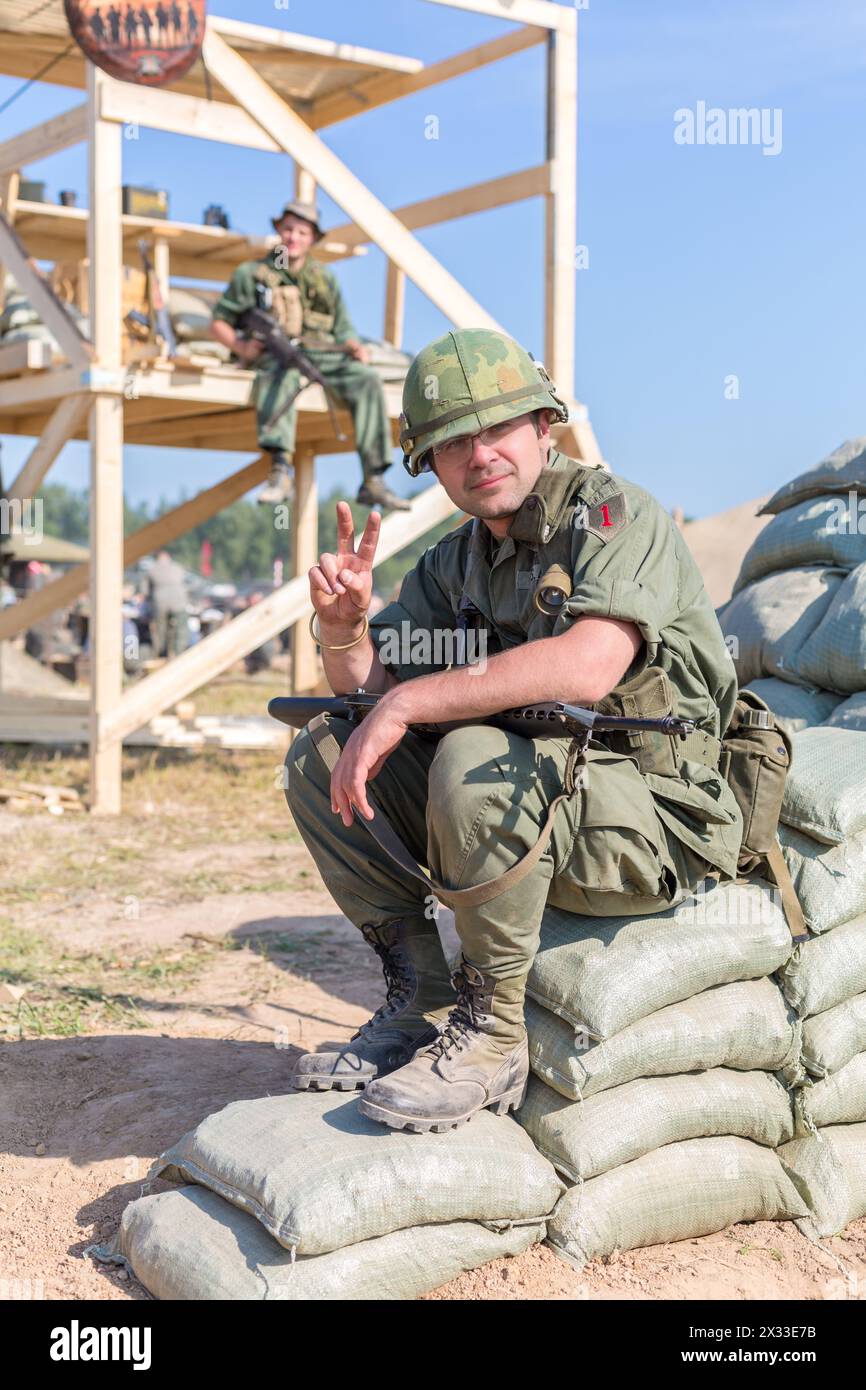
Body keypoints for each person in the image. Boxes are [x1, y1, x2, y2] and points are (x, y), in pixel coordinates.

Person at [283, 327, 744, 1132]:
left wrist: (409, 705)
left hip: (651, 816)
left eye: (497, 428)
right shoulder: (455, 562)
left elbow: (588, 665)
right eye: (454, 442)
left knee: (471, 755)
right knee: (319, 748)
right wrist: (345, 631)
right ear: (430, 464)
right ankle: (415, 994)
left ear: (543, 426)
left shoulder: (615, 515)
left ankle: (493, 1031)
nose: (479, 454)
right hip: (541, 804)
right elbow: (375, 688)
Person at [210, 201, 409, 513]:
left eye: (302, 232)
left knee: (367, 379)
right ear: (278, 230)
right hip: (277, 356)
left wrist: (355, 346)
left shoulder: (323, 278)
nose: (293, 237)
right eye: (288, 229)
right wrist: (243, 348)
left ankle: (374, 479)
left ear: (312, 239)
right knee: (282, 377)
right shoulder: (254, 275)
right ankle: (279, 470)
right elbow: (220, 321)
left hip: (323, 354)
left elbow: (342, 327)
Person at [146, 549, 189, 658]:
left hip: (160, 604)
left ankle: (161, 654)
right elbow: (186, 584)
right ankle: (179, 653)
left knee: (161, 631)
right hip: (179, 602)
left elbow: (146, 591)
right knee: (181, 629)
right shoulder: (178, 568)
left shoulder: (152, 570)